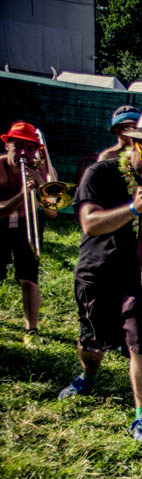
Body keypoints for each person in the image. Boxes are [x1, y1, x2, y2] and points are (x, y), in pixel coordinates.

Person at [58, 109, 142, 439]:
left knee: (141, 342)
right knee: (93, 340)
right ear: (133, 145)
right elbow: (90, 222)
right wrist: (134, 208)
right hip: (98, 268)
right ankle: (88, 376)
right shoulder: (101, 173)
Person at [0, 122, 57, 345]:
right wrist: (23, 195)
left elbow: (52, 213)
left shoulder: (43, 170)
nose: (24, 153)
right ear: (8, 145)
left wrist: (42, 183)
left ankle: (31, 329)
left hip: (27, 224)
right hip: (1, 225)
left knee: (29, 279)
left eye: (30, 147)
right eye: (19, 146)